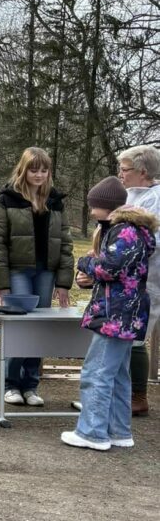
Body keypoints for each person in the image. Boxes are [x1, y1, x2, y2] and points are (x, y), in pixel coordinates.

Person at [61, 177, 156, 450]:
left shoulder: (124, 231)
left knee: (96, 372)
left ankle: (92, 432)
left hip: (117, 314)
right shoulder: (132, 230)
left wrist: (86, 262)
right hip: (125, 313)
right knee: (117, 375)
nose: (91, 211)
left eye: (94, 206)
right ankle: (119, 431)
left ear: (109, 206)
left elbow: (109, 268)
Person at [0, 148, 74, 407]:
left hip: (46, 271)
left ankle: (31, 385)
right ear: (23, 169)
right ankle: (11, 384)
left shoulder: (56, 201)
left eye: (44, 169)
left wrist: (63, 282)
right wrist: (1, 282)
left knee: (40, 327)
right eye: (34, 169)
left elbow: (66, 243)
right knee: (21, 326)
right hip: (17, 271)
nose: (39, 174)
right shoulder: (7, 199)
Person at [117, 145, 160, 417]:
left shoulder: (155, 200)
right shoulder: (129, 195)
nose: (120, 174)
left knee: (135, 337)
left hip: (147, 279)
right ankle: (121, 392)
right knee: (123, 337)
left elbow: (151, 242)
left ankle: (137, 396)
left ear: (142, 172)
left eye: (124, 169)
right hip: (124, 276)